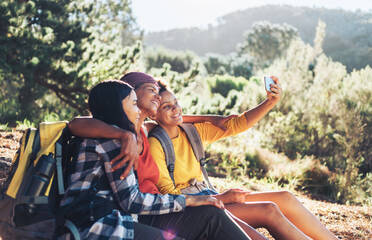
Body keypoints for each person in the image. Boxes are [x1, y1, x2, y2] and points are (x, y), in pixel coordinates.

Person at [65, 78, 259, 239]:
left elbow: (170, 117)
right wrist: (190, 201)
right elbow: (131, 201)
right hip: (99, 225)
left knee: (212, 215)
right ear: (117, 106)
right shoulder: (115, 141)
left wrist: (213, 119)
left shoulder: (133, 133)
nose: (139, 110)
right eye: (133, 103)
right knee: (209, 218)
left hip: (119, 218)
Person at [148, 78, 339, 240]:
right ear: (153, 112)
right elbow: (171, 197)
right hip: (196, 209)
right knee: (269, 210)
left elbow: (237, 124)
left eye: (176, 102)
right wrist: (222, 197)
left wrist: (270, 102)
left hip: (209, 195)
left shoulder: (192, 131)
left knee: (285, 198)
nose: (175, 109)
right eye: (167, 106)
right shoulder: (156, 144)